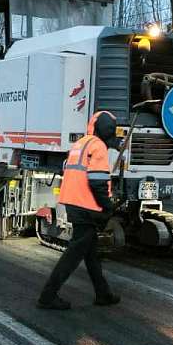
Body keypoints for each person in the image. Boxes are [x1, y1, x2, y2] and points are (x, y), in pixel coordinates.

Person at [38, 111, 121, 311]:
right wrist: (107, 206)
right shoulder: (98, 147)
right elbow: (98, 182)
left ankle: (103, 293)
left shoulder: (81, 143)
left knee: (90, 252)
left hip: (73, 201)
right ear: (107, 131)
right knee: (74, 253)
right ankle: (48, 296)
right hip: (87, 205)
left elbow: (68, 168)